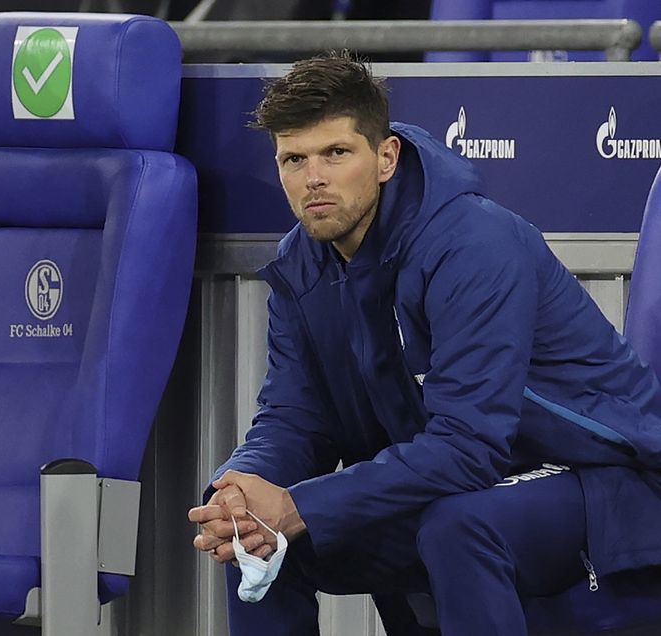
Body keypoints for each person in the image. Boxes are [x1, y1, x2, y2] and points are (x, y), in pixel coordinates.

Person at [187, 51, 661, 636]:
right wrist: (240, 489)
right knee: (255, 537)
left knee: (458, 525)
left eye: (336, 153)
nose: (314, 178)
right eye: (294, 159)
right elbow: (293, 418)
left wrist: (300, 506)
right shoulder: (302, 264)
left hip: (604, 478)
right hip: (463, 482)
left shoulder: (473, 244)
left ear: (386, 157)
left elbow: (469, 446)